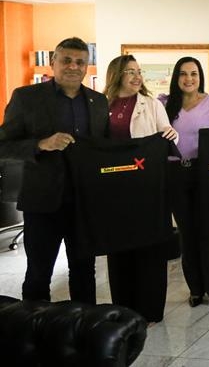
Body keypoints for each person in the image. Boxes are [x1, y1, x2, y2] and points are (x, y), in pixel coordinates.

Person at [0, 37, 108, 304]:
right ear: (53, 62)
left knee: (84, 271)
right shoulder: (26, 97)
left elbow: (103, 148)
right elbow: (4, 145)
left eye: (80, 62)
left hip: (84, 204)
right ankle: (35, 326)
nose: (73, 66)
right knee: (39, 274)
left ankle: (83, 324)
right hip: (42, 203)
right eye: (66, 60)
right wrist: (41, 144)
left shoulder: (98, 101)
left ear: (86, 67)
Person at [102, 55, 178, 323]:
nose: (137, 77)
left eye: (139, 71)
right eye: (130, 72)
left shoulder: (152, 104)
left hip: (147, 186)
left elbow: (167, 132)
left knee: (149, 248)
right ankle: (123, 307)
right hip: (114, 189)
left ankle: (150, 309)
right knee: (119, 247)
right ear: (116, 75)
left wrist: (170, 133)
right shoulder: (102, 105)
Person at [160, 57, 209, 309]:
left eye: (193, 73)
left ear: (200, 77)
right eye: (183, 73)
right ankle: (196, 289)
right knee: (187, 235)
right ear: (176, 77)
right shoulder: (165, 105)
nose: (188, 79)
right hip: (175, 173)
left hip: (204, 174)